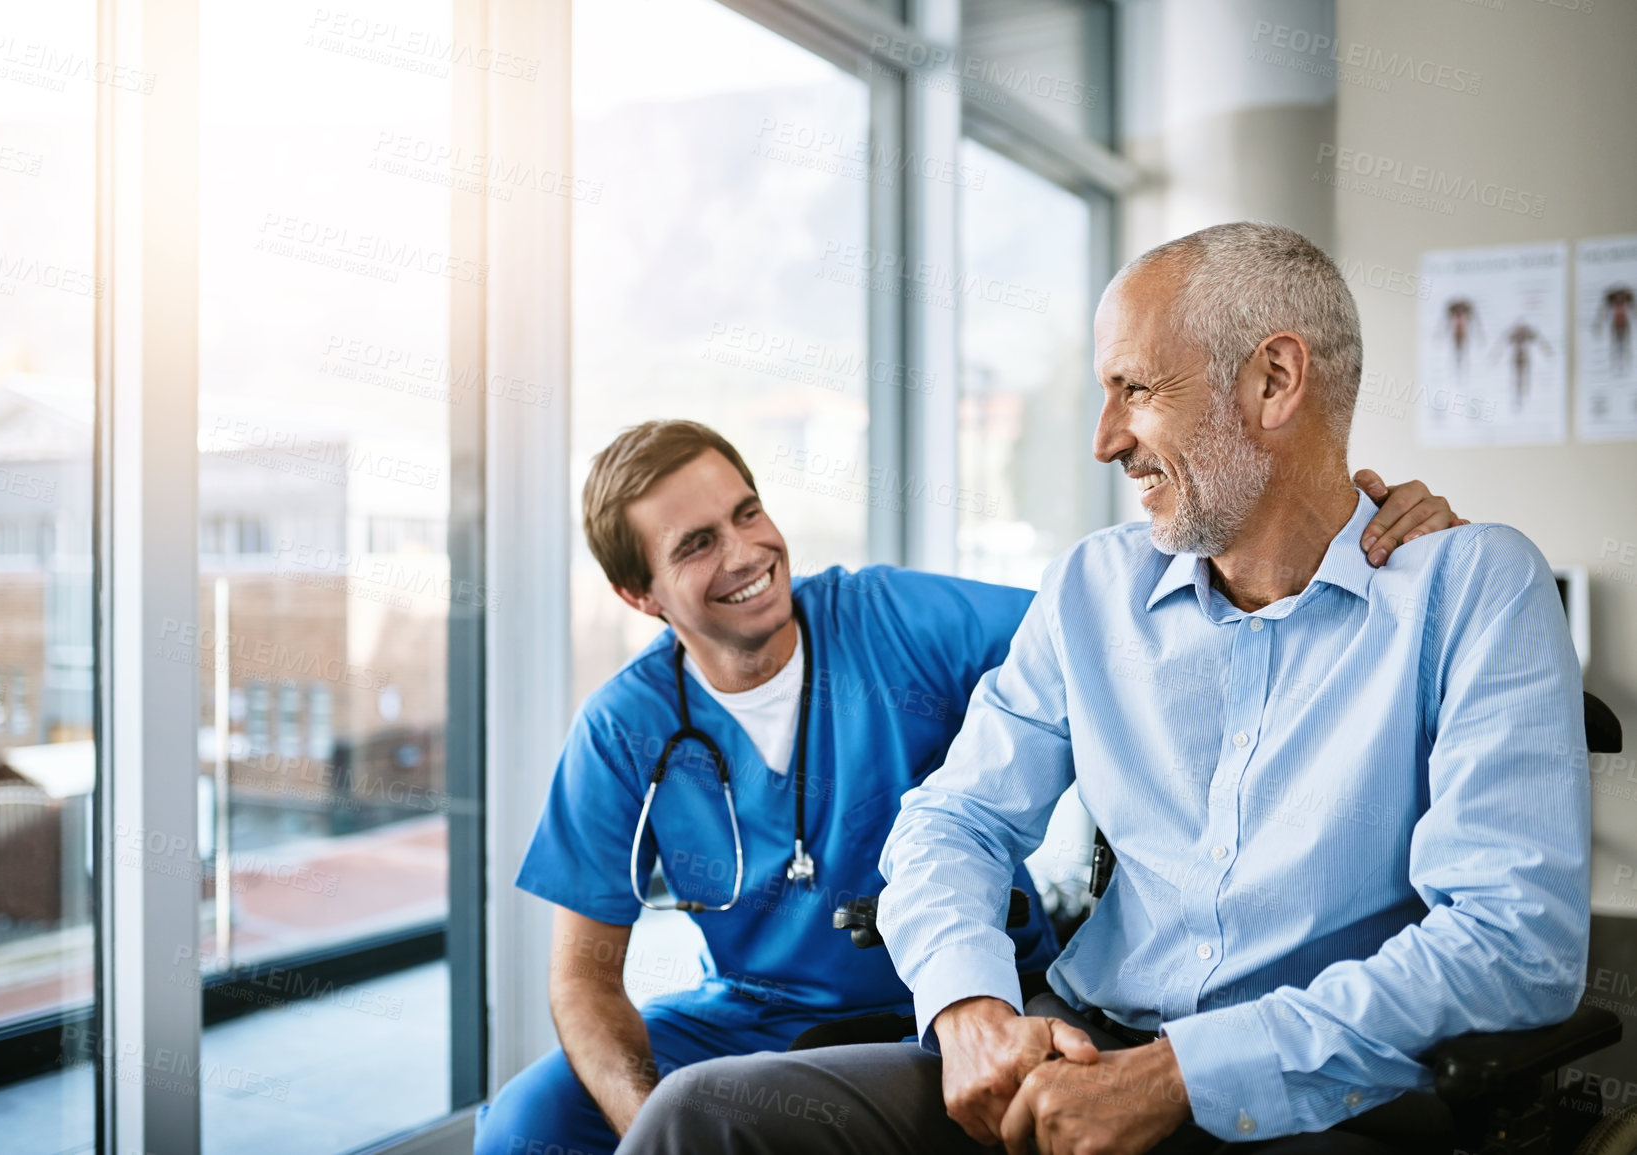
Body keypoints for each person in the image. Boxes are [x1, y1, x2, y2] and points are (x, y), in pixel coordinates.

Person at [617, 224, 1587, 1155]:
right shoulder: (1093, 589)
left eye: (1133, 389)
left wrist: (1182, 1078)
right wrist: (969, 1009)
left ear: (1274, 380)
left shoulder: (1468, 586)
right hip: (1077, 1046)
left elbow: (1513, 941)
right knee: (704, 1116)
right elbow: (950, 823)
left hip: (1318, 1104)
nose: (1103, 439)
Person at [476, 416, 1464, 1155]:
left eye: (747, 512)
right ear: (638, 595)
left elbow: (1123, 624)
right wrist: (651, 1130)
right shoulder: (622, 727)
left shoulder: (890, 618)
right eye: (695, 546)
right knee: (525, 1120)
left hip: (971, 984)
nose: (745, 554)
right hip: (755, 1006)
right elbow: (582, 978)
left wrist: (1348, 544)